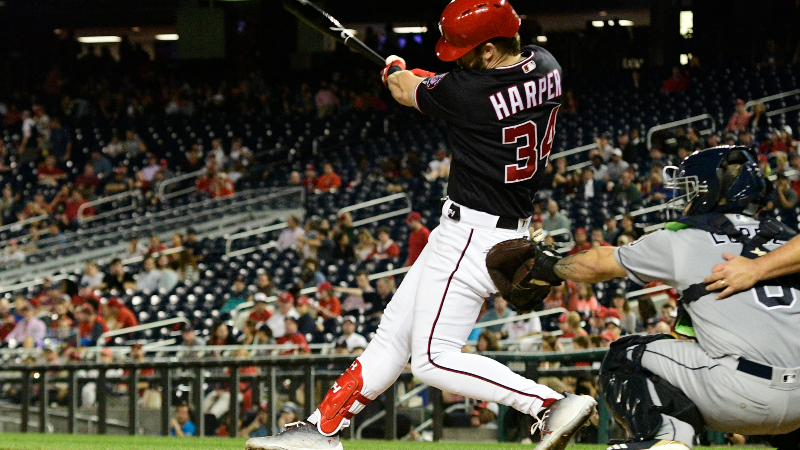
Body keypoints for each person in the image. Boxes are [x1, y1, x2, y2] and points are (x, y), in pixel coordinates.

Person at [245, 2, 596, 449]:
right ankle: (321, 432)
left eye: (466, 50)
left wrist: (394, 66)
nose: (458, 57)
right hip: (498, 227)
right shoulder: (546, 65)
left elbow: (404, 87)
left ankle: (548, 405)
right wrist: (417, 76)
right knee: (392, 336)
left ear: (489, 51)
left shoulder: (466, 93)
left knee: (431, 361)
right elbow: (447, 83)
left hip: (472, 235)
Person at [535, 146, 800, 450]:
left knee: (625, 355)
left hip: (741, 396)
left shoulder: (683, 238)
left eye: (691, 188)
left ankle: (669, 438)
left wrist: (552, 266)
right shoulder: (787, 239)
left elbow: (599, 263)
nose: (686, 198)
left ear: (711, 189)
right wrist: (760, 266)